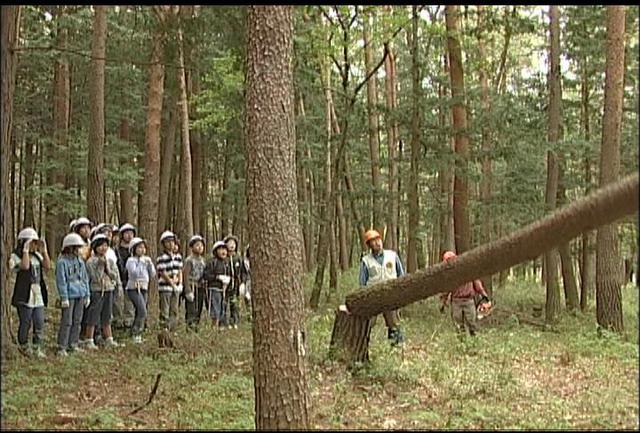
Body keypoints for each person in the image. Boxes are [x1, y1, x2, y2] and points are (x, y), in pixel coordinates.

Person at [359, 229, 406, 346]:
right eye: (373, 241)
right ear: (369, 245)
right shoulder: (366, 261)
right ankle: (362, 347)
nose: (377, 243)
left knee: (394, 323)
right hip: (373, 297)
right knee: (367, 324)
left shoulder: (392, 255)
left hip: (391, 295)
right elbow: (362, 282)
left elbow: (401, 275)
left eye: (378, 240)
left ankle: (396, 348)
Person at [10, 227, 52, 358]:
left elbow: (47, 266)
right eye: (31, 242)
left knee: (39, 320)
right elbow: (25, 266)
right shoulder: (16, 256)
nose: (34, 245)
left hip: (37, 292)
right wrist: (25, 250)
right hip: (24, 293)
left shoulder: (37, 256)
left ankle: (37, 346)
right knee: (26, 321)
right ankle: (23, 345)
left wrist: (44, 251)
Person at [82, 234, 123, 349]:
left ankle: (109, 338)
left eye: (105, 245)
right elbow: (95, 277)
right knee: (93, 315)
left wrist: (107, 268)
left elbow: (114, 275)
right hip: (97, 290)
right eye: (100, 246)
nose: (103, 248)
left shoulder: (110, 260)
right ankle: (89, 338)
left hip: (109, 289)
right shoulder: (90, 262)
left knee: (107, 315)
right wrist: (100, 266)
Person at [439, 251, 492, 337]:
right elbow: (447, 290)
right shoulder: (449, 275)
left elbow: (477, 284)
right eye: (448, 261)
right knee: (458, 325)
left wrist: (484, 295)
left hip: (468, 300)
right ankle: (462, 344)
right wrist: (443, 302)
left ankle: (474, 343)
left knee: (472, 324)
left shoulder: (468, 270)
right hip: (456, 301)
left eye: (450, 260)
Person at [55, 233, 90, 356]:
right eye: (76, 247)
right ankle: (62, 345)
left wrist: (87, 294)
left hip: (80, 293)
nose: (78, 250)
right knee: (67, 321)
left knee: (77, 320)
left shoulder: (80, 261)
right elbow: (61, 281)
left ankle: (73, 343)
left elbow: (85, 278)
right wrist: (64, 297)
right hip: (69, 295)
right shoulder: (62, 262)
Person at [125, 237, 156, 343]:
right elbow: (134, 273)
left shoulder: (146, 260)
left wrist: (150, 264)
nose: (142, 250)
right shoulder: (131, 260)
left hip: (144, 288)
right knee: (142, 310)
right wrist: (141, 263)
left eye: (143, 248)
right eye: (139, 248)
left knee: (141, 311)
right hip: (133, 288)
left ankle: (139, 332)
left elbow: (152, 274)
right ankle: (135, 332)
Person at [156, 231, 183, 332]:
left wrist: (179, 283)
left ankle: (172, 328)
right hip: (165, 287)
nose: (170, 244)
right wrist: (171, 282)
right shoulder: (161, 258)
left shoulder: (178, 257)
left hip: (175, 288)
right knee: (165, 309)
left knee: (174, 309)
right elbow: (163, 272)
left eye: (172, 241)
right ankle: (164, 328)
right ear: (163, 244)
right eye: (167, 242)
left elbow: (180, 270)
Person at [202, 241, 231, 329]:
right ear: (215, 251)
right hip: (214, 289)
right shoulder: (212, 262)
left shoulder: (226, 263)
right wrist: (217, 277)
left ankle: (220, 327)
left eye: (225, 249)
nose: (223, 252)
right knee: (215, 309)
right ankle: (213, 327)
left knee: (223, 308)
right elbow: (206, 275)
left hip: (224, 290)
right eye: (221, 249)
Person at [114, 223, 136, 330]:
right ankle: (117, 323)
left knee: (130, 303)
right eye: (127, 233)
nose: (129, 236)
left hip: (131, 281)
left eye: (131, 233)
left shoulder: (134, 250)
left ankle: (129, 323)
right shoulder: (117, 250)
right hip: (120, 279)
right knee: (118, 302)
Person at [183, 235, 207, 331]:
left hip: (200, 287)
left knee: (199, 307)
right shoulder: (189, 260)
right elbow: (185, 275)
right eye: (197, 245)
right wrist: (187, 289)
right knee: (191, 308)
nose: (200, 247)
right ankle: (190, 326)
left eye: (201, 245)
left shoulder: (203, 260)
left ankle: (196, 325)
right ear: (192, 247)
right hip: (191, 286)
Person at [223, 235, 247, 329]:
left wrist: (242, 283)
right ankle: (224, 321)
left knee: (235, 303)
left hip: (236, 284)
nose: (231, 245)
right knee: (224, 303)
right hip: (226, 284)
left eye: (233, 243)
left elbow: (243, 272)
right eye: (229, 243)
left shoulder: (238, 258)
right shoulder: (224, 258)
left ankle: (234, 321)